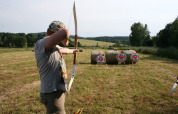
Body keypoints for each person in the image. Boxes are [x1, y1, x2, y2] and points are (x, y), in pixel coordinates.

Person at [34, 21, 78, 114]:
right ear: (56, 32)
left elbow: (62, 50)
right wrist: (65, 41)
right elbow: (65, 32)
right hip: (52, 92)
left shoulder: (52, 46)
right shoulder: (42, 43)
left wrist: (72, 51)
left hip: (56, 91)